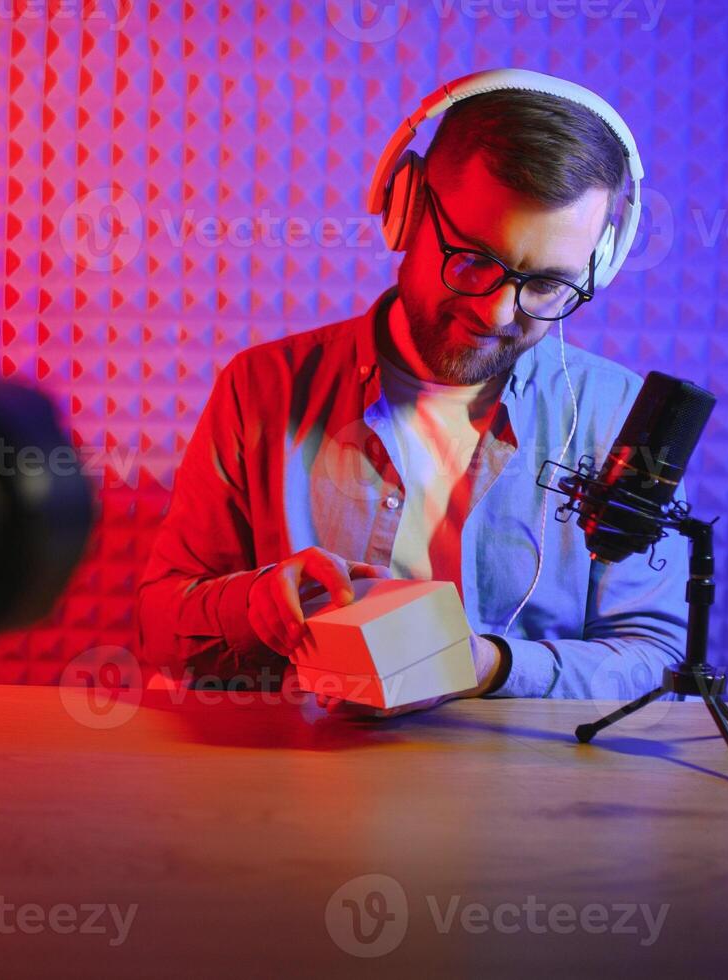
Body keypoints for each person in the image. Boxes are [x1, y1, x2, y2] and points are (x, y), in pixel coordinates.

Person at [133, 73, 688, 716]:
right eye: (474, 259)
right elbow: (159, 635)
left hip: (527, 803)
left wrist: (490, 666)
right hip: (304, 796)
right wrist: (253, 607)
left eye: (546, 285)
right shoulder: (262, 388)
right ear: (408, 209)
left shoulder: (619, 415)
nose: (498, 311)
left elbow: (655, 660)